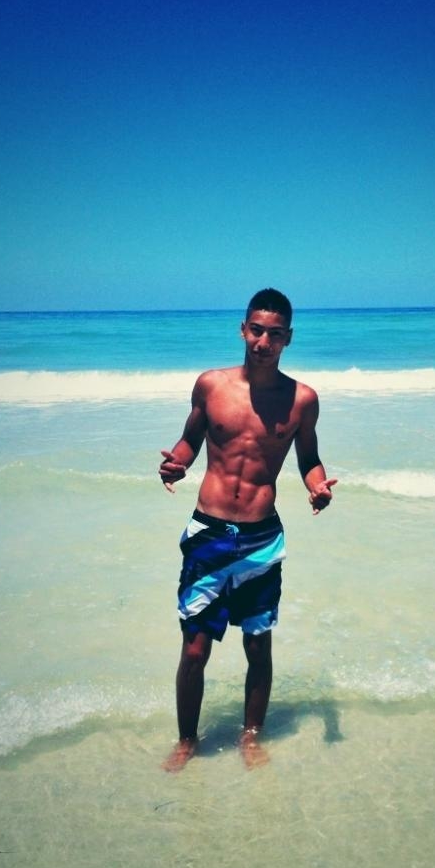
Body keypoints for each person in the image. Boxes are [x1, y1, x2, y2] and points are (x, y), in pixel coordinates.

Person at [159, 288, 336, 771]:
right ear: (243, 330)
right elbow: (190, 439)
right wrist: (176, 464)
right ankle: (187, 740)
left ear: (288, 339)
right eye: (256, 330)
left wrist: (318, 487)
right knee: (195, 647)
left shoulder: (302, 400)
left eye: (275, 334)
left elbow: (309, 458)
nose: (263, 341)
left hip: (261, 539)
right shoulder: (210, 386)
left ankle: (250, 737)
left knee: (258, 644)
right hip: (208, 533)